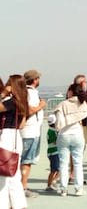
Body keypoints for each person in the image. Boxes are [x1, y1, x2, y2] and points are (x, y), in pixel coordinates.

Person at [54, 83, 87, 197]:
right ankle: (78, 189)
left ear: (71, 92)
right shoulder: (82, 104)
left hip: (64, 135)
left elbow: (58, 122)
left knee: (64, 163)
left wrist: (60, 126)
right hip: (77, 134)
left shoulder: (62, 104)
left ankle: (63, 189)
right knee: (78, 163)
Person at [0, 75, 28, 209]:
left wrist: (3, 93)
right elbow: (22, 125)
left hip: (5, 136)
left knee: (3, 175)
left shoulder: (10, 102)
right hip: (16, 137)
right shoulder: (22, 102)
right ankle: (19, 204)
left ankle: (3, 204)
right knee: (14, 174)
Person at [20, 69, 46, 199]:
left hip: (29, 130)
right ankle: (22, 187)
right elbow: (29, 110)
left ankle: (21, 185)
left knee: (25, 160)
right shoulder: (30, 93)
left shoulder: (26, 92)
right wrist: (41, 105)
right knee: (26, 161)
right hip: (30, 131)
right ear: (35, 80)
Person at [45, 115, 59, 192]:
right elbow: (55, 142)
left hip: (53, 152)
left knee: (55, 169)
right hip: (54, 152)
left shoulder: (51, 130)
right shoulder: (52, 131)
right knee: (56, 170)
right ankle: (50, 184)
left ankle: (52, 183)